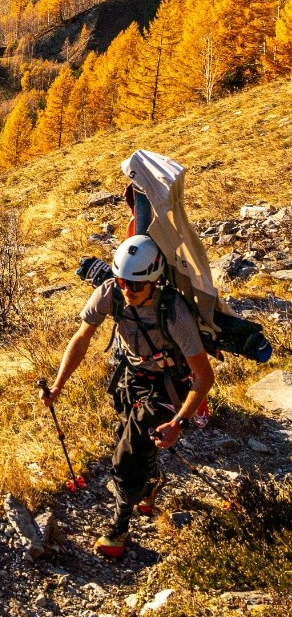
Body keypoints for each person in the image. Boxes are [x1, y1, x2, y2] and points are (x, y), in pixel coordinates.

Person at [42, 234, 215, 559]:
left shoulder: (175, 313)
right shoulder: (111, 293)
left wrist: (179, 421)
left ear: (154, 279)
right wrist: (58, 385)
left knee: (124, 456)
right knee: (131, 434)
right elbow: (82, 338)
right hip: (131, 374)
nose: (127, 291)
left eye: (134, 285)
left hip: (170, 385)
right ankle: (149, 485)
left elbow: (204, 376)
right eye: (122, 282)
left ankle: (118, 528)